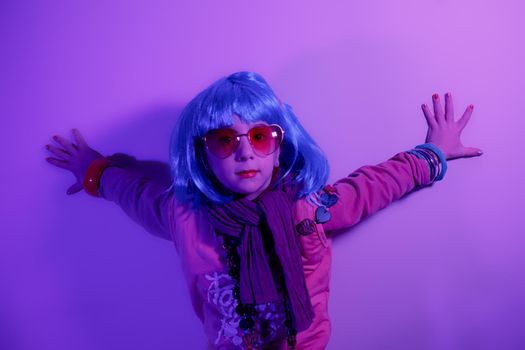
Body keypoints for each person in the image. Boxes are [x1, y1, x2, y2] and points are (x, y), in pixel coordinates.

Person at [44, 71, 483, 349]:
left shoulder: (306, 209)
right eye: (223, 140)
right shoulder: (184, 216)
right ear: (203, 155)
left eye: (258, 137)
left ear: (279, 146)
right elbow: (136, 193)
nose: (244, 154)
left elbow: (371, 187)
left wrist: (432, 154)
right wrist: (93, 171)